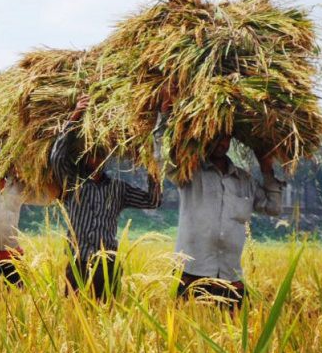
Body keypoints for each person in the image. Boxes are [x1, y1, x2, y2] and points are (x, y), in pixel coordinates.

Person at [50, 94, 163, 300]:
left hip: (107, 265)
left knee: (108, 312)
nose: (98, 160)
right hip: (78, 264)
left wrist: (151, 166)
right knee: (74, 316)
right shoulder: (73, 182)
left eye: (102, 156)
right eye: (94, 155)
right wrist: (75, 116)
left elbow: (152, 201)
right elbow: (57, 156)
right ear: (84, 158)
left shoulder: (117, 189)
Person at [168, 132, 284, 309]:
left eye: (226, 138)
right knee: (186, 332)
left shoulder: (245, 180)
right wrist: (164, 118)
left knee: (237, 331)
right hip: (191, 275)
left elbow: (273, 207)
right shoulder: (189, 172)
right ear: (204, 136)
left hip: (230, 277)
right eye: (215, 136)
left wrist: (266, 168)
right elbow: (164, 159)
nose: (220, 143)